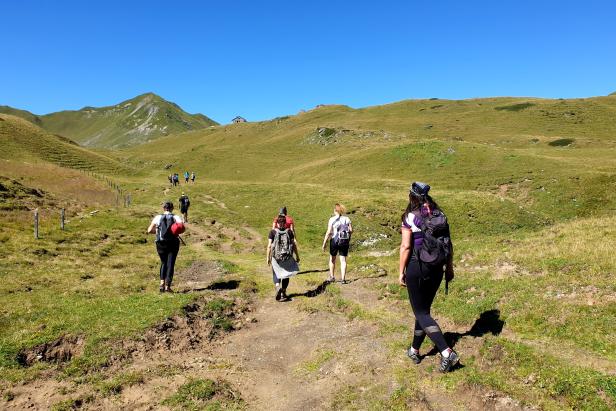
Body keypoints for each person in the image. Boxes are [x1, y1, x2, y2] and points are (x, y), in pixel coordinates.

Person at [399, 182, 458, 372]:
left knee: (421, 313)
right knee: (423, 310)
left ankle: (447, 352)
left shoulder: (410, 216)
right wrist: (448, 268)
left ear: (412, 196)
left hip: (418, 265)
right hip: (437, 267)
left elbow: (406, 247)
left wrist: (401, 272)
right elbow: (449, 244)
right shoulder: (440, 215)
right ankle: (414, 349)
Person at [147, 201, 184, 292]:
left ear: (163, 208)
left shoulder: (158, 217)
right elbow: (182, 228)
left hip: (160, 243)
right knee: (170, 263)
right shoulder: (176, 217)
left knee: (164, 263)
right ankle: (168, 286)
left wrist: (158, 232)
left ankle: (162, 283)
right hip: (173, 243)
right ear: (172, 208)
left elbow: (149, 230)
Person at [267, 214, 300, 301]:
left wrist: (268, 258)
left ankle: (278, 287)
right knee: (286, 274)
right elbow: (293, 245)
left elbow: (269, 246)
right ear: (285, 223)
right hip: (287, 257)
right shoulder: (289, 232)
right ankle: (284, 292)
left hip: (276, 258)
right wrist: (297, 256)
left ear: (277, 223)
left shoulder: (272, 232)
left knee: (275, 273)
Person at [321, 203, 352, 284]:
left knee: (332, 259)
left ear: (335, 210)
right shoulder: (347, 219)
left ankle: (332, 277)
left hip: (334, 240)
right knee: (343, 260)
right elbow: (351, 230)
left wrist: (324, 243)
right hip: (344, 241)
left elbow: (328, 232)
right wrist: (348, 239)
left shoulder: (332, 219)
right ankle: (343, 279)